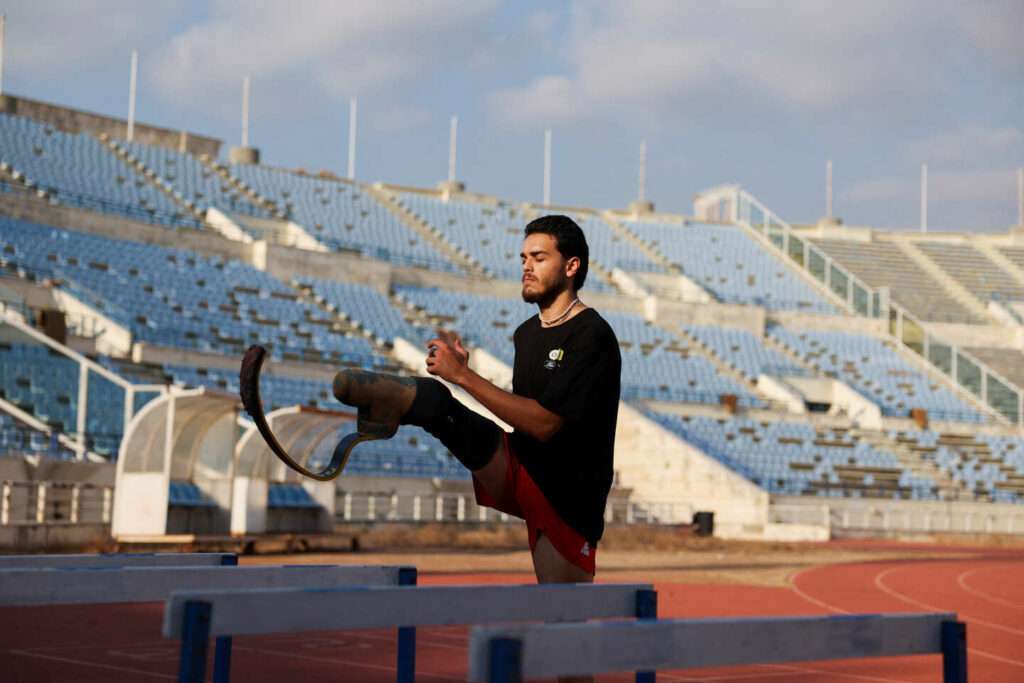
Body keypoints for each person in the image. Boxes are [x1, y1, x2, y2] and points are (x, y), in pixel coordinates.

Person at [333, 214, 621, 583]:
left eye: (538, 257)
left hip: (568, 500)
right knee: (437, 404)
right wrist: (458, 379)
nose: (526, 267)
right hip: (519, 466)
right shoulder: (526, 334)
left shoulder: (591, 334)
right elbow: (522, 424)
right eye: (522, 259)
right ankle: (397, 406)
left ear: (571, 265)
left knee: (561, 619)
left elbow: (544, 424)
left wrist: (464, 376)